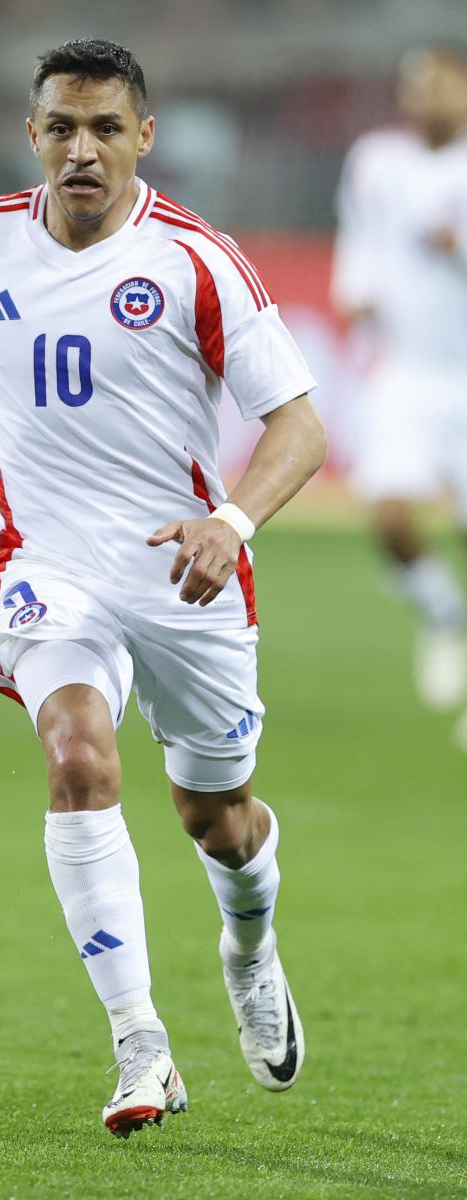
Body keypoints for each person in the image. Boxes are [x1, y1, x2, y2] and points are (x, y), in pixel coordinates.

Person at [0, 39, 326, 1138]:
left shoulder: (197, 262)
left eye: (105, 128)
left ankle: (248, 944)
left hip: (184, 571)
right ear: (32, 135)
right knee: (77, 757)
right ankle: (140, 1042)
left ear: (144, 137)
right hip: (41, 562)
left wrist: (228, 520)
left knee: (218, 819)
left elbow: (298, 427)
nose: (81, 149)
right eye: (61, 127)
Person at [332, 45, 467, 733]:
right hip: (407, 370)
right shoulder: (376, 161)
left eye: (442, 85)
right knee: (387, 514)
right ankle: (445, 614)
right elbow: (361, 237)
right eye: (417, 86)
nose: (428, 98)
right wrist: (353, 290)